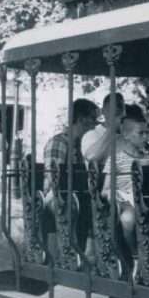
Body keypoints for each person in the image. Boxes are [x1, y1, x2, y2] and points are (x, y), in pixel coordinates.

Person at [43, 98, 99, 248]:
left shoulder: (85, 145)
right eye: (93, 119)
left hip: (80, 193)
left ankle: (92, 253)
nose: (95, 125)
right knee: (69, 206)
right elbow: (52, 175)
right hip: (57, 193)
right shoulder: (59, 142)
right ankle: (68, 252)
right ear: (81, 119)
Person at [101, 105, 149, 255]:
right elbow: (105, 189)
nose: (146, 137)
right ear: (126, 135)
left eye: (147, 133)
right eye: (141, 133)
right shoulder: (116, 158)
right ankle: (134, 255)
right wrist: (119, 195)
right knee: (128, 219)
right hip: (127, 201)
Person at [82, 92, 125, 165]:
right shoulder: (92, 134)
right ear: (103, 111)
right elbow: (90, 157)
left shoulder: (129, 134)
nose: (116, 115)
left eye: (120, 111)